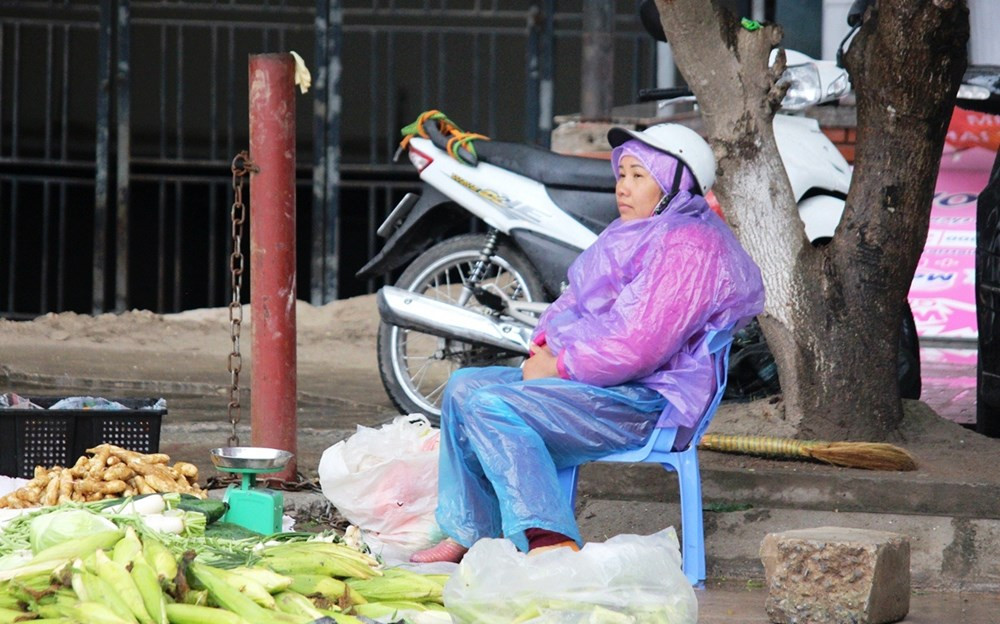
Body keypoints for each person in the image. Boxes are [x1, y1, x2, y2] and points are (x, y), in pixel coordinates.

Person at [410, 123, 765, 563]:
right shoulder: (636, 232)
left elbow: (637, 347)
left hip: (644, 403)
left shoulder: (687, 246)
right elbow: (574, 303)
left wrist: (560, 366)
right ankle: (472, 530)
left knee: (490, 406)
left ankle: (551, 542)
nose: (624, 187)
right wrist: (546, 347)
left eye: (640, 176)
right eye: (623, 174)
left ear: (678, 185)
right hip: (603, 387)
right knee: (465, 386)